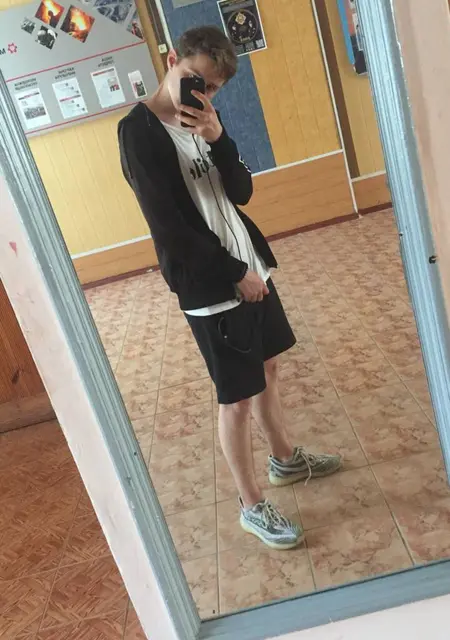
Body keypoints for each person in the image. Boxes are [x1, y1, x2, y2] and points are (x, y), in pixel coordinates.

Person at [118, 25, 341, 550]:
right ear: (171, 60)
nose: (204, 92)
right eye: (196, 78)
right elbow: (169, 227)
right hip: (213, 284)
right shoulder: (139, 131)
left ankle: (285, 460)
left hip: (250, 265)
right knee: (237, 398)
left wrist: (219, 138)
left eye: (214, 87)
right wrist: (233, 273)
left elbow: (241, 191)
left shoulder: (205, 121)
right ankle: (251, 505)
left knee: (268, 368)